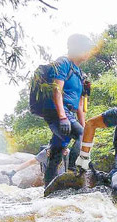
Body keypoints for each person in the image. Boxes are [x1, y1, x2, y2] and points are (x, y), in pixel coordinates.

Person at [42, 34, 95, 187]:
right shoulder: (62, 63)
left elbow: (79, 105)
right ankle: (73, 172)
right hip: (57, 111)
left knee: (57, 153)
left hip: (68, 113)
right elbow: (56, 90)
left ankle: (48, 189)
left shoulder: (80, 74)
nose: (88, 52)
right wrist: (62, 116)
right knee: (81, 136)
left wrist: (84, 126)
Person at [1, 146, 70, 185]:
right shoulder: (45, 153)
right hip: (50, 179)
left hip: (62, 179)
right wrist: (13, 171)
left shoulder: (68, 153)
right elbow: (30, 162)